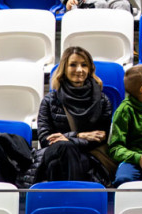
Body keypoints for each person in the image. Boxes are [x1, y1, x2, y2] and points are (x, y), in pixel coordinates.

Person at [37, 46, 114, 184]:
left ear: (90, 69)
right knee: (63, 150)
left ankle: (61, 200)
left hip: (89, 156)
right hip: (56, 153)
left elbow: (100, 137)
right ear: (64, 68)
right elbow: (45, 139)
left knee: (64, 156)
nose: (79, 70)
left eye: (84, 65)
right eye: (73, 65)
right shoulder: (50, 101)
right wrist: (79, 136)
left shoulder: (103, 100)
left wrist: (66, 138)